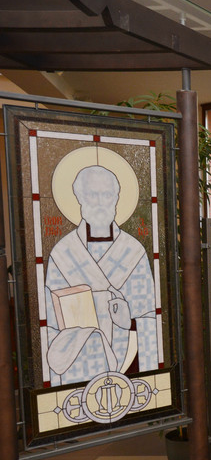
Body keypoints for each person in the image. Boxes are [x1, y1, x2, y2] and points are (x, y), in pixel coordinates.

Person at [44, 164, 158, 386]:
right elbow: (49, 326)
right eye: (92, 194)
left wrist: (130, 322)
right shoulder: (63, 253)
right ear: (79, 198)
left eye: (106, 195)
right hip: (80, 365)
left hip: (127, 360)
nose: (99, 202)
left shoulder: (133, 251)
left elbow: (152, 319)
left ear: (116, 199)